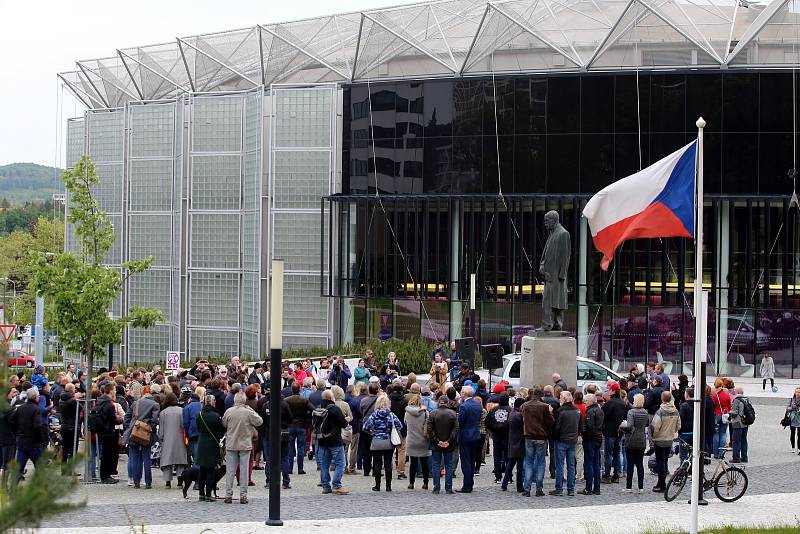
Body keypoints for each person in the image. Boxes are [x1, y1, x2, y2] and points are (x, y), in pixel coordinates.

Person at [221, 391, 263, 504]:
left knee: (230, 470)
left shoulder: (229, 411)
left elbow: (224, 423)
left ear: (234, 400)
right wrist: (250, 409)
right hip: (245, 444)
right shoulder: (247, 412)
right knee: (244, 471)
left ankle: (228, 494)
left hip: (231, 444)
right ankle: (243, 495)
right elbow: (259, 421)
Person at [123, 384, 159, 488]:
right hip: (146, 434)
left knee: (135, 458)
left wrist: (130, 426)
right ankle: (148, 482)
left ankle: (136, 482)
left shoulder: (135, 403)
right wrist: (150, 428)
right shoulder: (155, 404)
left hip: (134, 432)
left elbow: (127, 417)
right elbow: (155, 420)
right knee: (146, 458)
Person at [363, 395, 401, 492]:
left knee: (377, 464)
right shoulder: (391, 415)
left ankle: (377, 486)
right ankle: (388, 486)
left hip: (376, 441)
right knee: (388, 464)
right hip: (388, 442)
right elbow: (400, 426)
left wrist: (372, 432)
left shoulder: (374, 415)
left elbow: (365, 427)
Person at [315, 389, 350, 495]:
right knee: (340, 463)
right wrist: (346, 419)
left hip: (322, 440)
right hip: (335, 440)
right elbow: (343, 424)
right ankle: (336, 485)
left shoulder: (318, 408)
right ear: (331, 398)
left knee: (325, 464)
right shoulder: (335, 409)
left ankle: (326, 486)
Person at [521, 388, 554, 497]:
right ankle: (539, 488)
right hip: (541, 436)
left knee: (529, 462)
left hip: (529, 436)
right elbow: (550, 422)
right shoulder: (544, 407)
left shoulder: (525, 405)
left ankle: (527, 489)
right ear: (541, 396)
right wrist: (551, 412)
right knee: (540, 462)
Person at [8, 387, 44, 482]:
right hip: (34, 444)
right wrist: (41, 439)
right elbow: (37, 426)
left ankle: (13, 491)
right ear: (36, 397)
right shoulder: (36, 410)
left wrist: (16, 433)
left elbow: (11, 420)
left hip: (22, 442)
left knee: (18, 469)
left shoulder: (21, 408)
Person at [550, 391, 580, 496]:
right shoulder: (577, 410)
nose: (559, 400)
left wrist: (555, 437)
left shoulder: (560, 411)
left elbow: (557, 426)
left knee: (560, 465)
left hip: (561, 440)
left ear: (564, 399)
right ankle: (571, 489)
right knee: (571, 465)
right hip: (572, 440)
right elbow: (580, 426)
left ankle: (559, 488)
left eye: (560, 398)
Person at [428, 395, 458, 494]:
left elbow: (430, 429)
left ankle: (436, 488)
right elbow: (455, 429)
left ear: (438, 402)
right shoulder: (452, 414)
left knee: (436, 465)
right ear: (447, 403)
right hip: (449, 444)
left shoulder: (433, 413)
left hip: (436, 444)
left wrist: (437, 441)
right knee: (448, 465)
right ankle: (448, 488)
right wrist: (448, 441)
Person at [650, 391, 680, 492]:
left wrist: (654, 436)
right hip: (669, 439)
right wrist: (672, 432)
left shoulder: (660, 412)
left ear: (662, 399)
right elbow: (678, 426)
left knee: (660, 462)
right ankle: (661, 483)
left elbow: (655, 426)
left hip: (659, 439)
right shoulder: (675, 411)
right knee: (665, 461)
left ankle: (662, 484)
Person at [196, 396, 224, 501]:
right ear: (213, 403)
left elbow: (198, 427)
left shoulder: (199, 415)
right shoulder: (216, 416)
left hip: (202, 442)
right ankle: (208, 494)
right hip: (212, 443)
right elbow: (221, 429)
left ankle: (201, 494)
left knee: (202, 469)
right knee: (211, 470)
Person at [619, 393, 649, 493]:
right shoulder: (645, 412)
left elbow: (630, 426)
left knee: (630, 464)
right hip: (641, 439)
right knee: (640, 464)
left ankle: (629, 487)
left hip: (631, 439)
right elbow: (647, 423)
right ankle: (641, 487)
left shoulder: (631, 412)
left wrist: (621, 427)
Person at [158, 392, 188, 488]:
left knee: (167, 461)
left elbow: (161, 430)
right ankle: (180, 482)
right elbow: (184, 426)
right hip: (180, 439)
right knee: (180, 461)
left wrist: (161, 439)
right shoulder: (182, 411)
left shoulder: (163, 413)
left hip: (167, 439)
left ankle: (168, 482)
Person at [456, 385, 481, 493]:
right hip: (475, 435)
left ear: (464, 394)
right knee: (472, 460)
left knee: (466, 461)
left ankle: (467, 485)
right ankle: (470, 483)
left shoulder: (464, 406)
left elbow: (460, 421)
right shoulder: (477, 404)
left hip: (465, 436)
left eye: (461, 392)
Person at [404, 394, 431, 490]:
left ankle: (411, 483)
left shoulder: (407, 413)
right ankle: (425, 483)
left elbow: (406, 423)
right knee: (424, 463)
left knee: (413, 463)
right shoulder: (425, 413)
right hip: (423, 439)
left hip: (412, 439)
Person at [285, 382, 312, 475]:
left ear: (292, 390)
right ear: (299, 389)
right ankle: (300, 468)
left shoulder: (287, 400)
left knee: (290, 447)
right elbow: (313, 409)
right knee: (301, 447)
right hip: (301, 425)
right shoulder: (304, 400)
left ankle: (290, 468)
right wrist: (307, 417)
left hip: (290, 425)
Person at [601, 382, 625, 484]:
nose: (608, 391)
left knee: (608, 455)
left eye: (610, 389)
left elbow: (604, 417)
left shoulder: (609, 403)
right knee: (616, 453)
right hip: (619, 432)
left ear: (613, 391)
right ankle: (616, 475)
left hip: (609, 432)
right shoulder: (623, 403)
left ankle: (607, 475)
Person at [579, 393, 603, 496]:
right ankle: (597, 488)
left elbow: (589, 427)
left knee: (589, 463)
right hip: (598, 438)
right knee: (596, 463)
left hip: (591, 439)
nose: (585, 402)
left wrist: (583, 432)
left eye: (586, 401)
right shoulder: (599, 410)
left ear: (591, 401)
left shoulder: (590, 412)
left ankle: (588, 488)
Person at [500, 397, 525, 492]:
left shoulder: (512, 413)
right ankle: (519, 486)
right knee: (519, 465)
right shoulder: (519, 416)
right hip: (519, 442)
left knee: (510, 464)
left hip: (512, 441)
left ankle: (504, 484)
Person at [485, 393, 511, 483]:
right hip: (507, 435)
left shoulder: (493, 410)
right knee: (508, 456)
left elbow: (487, 422)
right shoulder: (510, 410)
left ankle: (498, 476)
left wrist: (492, 430)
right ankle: (509, 477)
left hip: (496, 435)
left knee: (497, 456)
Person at [388, 382, 409, 479]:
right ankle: (401, 471)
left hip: (390, 427)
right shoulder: (405, 401)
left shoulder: (388, 400)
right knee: (401, 451)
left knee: (389, 450)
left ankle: (388, 468)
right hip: (402, 428)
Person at [729, 386, 752, 463]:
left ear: (737, 392)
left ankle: (736, 457)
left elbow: (735, 412)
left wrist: (729, 412)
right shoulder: (747, 399)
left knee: (736, 441)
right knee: (744, 440)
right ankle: (744, 457)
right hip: (746, 422)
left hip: (738, 423)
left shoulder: (737, 400)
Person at [710, 378, 732, 458]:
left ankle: (715, 453)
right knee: (723, 434)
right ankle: (721, 454)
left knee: (716, 434)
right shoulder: (726, 395)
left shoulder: (714, 396)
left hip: (716, 415)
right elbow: (730, 407)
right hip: (725, 416)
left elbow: (712, 407)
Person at [183, 390, 202, 466]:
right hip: (202, 432)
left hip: (193, 432)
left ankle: (196, 471)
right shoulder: (202, 406)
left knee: (194, 453)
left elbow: (186, 423)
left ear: (190, 398)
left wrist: (187, 434)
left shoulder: (187, 407)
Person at [787, 387, 800, 454]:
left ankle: (799, 448)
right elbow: (787, 408)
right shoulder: (792, 399)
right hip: (793, 419)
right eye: (797, 392)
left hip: (799, 419)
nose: (798, 393)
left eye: (799, 392)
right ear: (795, 392)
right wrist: (792, 407)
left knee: (799, 435)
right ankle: (793, 447)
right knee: (792, 434)